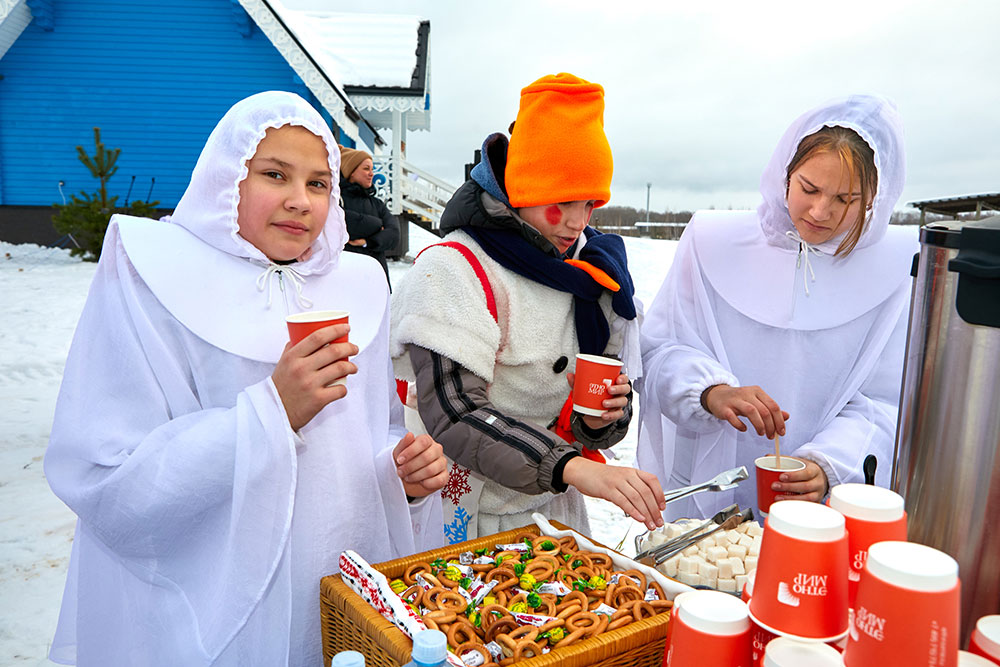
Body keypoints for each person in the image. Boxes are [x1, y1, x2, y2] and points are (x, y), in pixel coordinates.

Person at [43, 91, 447, 666]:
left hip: (338, 578)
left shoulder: (356, 284)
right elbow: (107, 476)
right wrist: (272, 411)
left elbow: (369, 432)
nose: (299, 201)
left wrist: (401, 475)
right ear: (226, 177)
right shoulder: (155, 275)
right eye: (274, 174)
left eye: (318, 183)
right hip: (215, 604)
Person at [390, 73, 665, 543]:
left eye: (589, 204)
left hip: (552, 508)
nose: (577, 223)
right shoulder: (456, 269)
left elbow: (590, 393)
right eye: (562, 203)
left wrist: (599, 418)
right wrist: (572, 466)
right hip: (465, 510)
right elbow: (455, 410)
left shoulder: (592, 271)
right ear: (524, 189)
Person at [637, 95, 917, 520]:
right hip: (704, 495)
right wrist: (711, 391)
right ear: (785, 173)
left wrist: (829, 464)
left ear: (873, 199)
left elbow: (889, 400)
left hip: (823, 511)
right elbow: (660, 350)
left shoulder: (897, 267)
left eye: (845, 199)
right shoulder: (713, 242)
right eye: (809, 188)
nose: (821, 211)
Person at [339, 144, 400, 285]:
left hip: (376, 278)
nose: (371, 173)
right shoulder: (336, 200)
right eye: (366, 169)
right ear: (351, 172)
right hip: (346, 277)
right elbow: (345, 224)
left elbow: (394, 234)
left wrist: (368, 242)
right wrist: (378, 225)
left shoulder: (377, 204)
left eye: (372, 169)